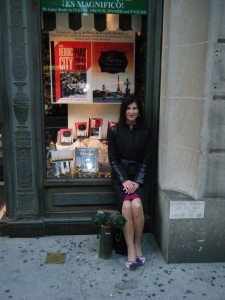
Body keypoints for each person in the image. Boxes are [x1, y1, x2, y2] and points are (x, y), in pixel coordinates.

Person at [108, 94, 151, 271]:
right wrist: (124, 180)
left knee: (137, 206)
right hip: (121, 178)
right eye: (128, 108)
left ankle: (138, 244)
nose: (131, 111)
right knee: (126, 207)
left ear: (139, 111)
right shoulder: (114, 131)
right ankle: (131, 249)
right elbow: (112, 159)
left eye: (134, 108)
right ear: (123, 111)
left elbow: (147, 160)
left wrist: (137, 182)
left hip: (139, 179)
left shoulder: (146, 132)